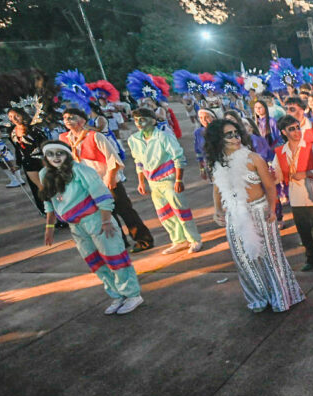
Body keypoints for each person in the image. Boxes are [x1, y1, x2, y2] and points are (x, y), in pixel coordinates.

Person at [206, 118, 304, 312]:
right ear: (218, 138)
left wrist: (272, 208)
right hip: (235, 214)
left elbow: (270, 186)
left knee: (270, 256)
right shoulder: (218, 163)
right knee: (243, 258)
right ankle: (258, 298)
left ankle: (281, 296)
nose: (235, 138)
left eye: (236, 133)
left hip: (260, 212)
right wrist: (217, 210)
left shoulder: (253, 158)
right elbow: (217, 188)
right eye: (229, 135)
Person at [39, 140, 143, 314]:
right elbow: (49, 202)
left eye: (60, 153)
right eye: (51, 154)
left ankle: (132, 295)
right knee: (96, 263)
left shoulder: (81, 170)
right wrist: (49, 227)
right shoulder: (45, 174)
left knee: (115, 258)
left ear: (67, 155)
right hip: (76, 227)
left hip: (96, 220)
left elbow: (103, 196)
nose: (55, 158)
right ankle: (117, 295)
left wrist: (106, 221)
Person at [59, 108, 154, 253]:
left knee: (125, 210)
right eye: (65, 117)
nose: (67, 120)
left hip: (107, 179)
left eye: (71, 117)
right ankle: (120, 244)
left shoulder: (94, 136)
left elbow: (112, 158)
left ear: (82, 121)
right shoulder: (64, 139)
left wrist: (110, 178)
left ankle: (143, 240)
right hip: (89, 184)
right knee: (107, 215)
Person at [127, 107, 203, 254]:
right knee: (164, 213)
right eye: (136, 120)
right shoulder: (134, 139)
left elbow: (178, 157)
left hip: (168, 178)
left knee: (181, 210)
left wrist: (178, 180)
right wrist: (141, 182)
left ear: (153, 120)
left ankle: (194, 239)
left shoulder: (163, 136)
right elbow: (138, 162)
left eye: (142, 119)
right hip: (152, 182)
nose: (139, 123)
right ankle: (178, 240)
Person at [272, 115, 313, 272]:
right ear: (283, 132)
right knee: (304, 231)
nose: (296, 132)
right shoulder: (281, 152)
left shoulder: (311, 147)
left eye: (297, 127)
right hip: (296, 197)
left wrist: (307, 173)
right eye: (291, 129)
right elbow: (278, 175)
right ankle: (312, 257)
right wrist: (270, 175)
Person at [8, 106, 50, 215]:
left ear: (22, 115)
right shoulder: (12, 132)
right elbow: (18, 150)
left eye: (16, 115)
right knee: (39, 188)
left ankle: (61, 211)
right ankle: (47, 212)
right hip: (28, 163)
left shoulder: (33, 129)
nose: (14, 119)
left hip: (42, 161)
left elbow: (45, 144)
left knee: (49, 187)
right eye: (11, 117)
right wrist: (17, 165)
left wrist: (49, 160)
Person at [193, 109, 218, 180]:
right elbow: (198, 152)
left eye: (206, 117)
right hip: (209, 165)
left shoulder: (222, 130)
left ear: (214, 117)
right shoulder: (198, 133)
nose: (203, 120)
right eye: (200, 118)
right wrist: (202, 169)